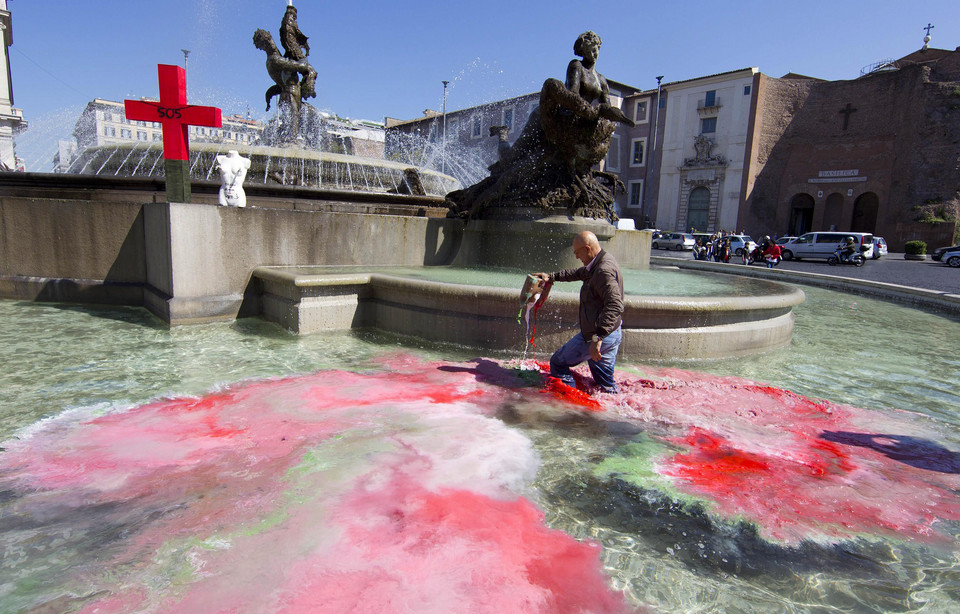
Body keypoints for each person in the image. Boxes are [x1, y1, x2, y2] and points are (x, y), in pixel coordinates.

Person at [534, 231, 624, 393]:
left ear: (588, 249)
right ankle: (615, 409)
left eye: (577, 253)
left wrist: (597, 338)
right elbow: (579, 273)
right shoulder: (600, 260)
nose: (576, 257)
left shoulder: (603, 271)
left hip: (599, 335)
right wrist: (552, 277)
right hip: (613, 332)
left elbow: (615, 304)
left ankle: (572, 406)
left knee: (558, 362)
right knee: (604, 385)